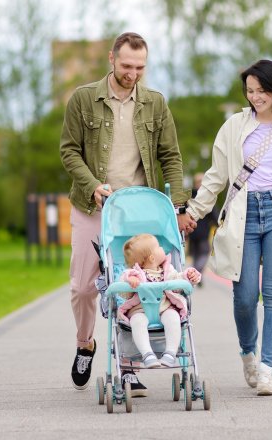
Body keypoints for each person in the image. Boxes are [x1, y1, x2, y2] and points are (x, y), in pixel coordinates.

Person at [59, 32, 194, 397]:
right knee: (83, 286)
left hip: (139, 209)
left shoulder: (155, 103)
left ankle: (129, 366)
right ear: (111, 59)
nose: (133, 74)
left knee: (136, 284)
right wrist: (92, 185)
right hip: (93, 205)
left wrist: (177, 207)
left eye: (140, 67)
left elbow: (171, 157)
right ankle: (85, 343)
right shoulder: (84, 99)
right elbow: (69, 151)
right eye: (127, 66)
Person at [179, 59, 272, 396]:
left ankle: (269, 368)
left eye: (262, 91)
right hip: (244, 214)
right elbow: (216, 176)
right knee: (243, 298)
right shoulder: (233, 126)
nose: (255, 97)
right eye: (250, 90)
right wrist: (194, 211)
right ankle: (248, 354)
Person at [118, 233, 201, 368]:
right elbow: (122, 290)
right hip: (140, 310)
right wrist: (129, 282)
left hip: (165, 308)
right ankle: (147, 354)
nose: (162, 248)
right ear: (152, 257)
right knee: (137, 322)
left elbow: (177, 279)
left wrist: (188, 277)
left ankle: (170, 353)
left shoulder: (167, 271)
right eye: (158, 246)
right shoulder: (134, 274)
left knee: (173, 318)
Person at [188, 173, 218, 282]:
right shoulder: (207, 198)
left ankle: (195, 275)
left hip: (191, 232)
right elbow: (214, 215)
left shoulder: (189, 197)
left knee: (196, 254)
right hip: (203, 232)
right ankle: (196, 272)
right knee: (204, 253)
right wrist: (218, 225)